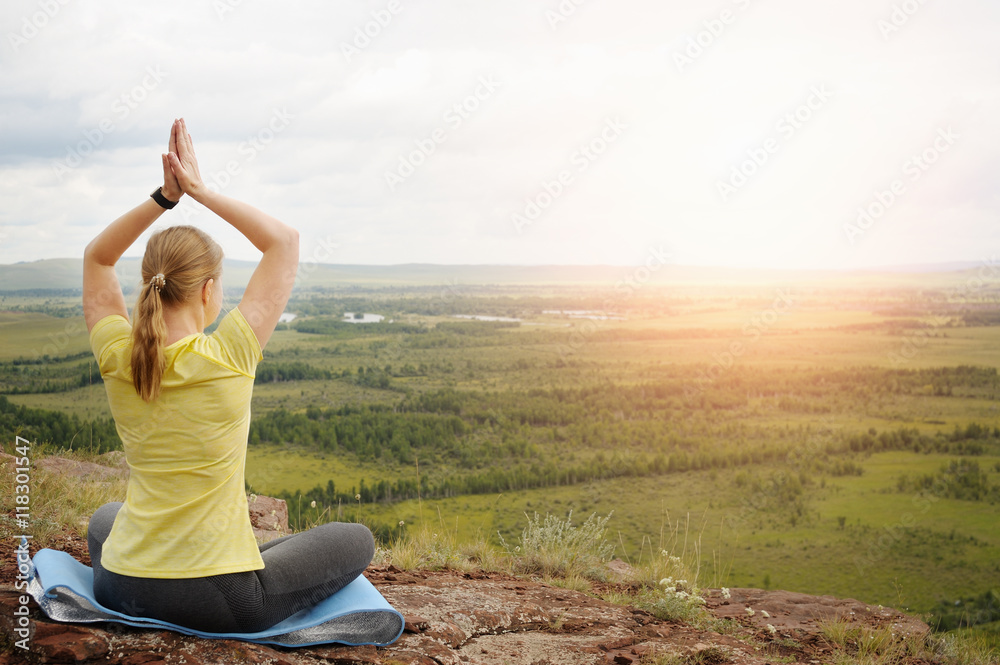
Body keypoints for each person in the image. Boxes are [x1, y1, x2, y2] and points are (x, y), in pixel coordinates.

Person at [83, 118, 374, 633]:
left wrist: (163, 198)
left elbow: (97, 257)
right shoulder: (229, 356)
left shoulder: (117, 354)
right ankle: (233, 561)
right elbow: (283, 241)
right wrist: (198, 190)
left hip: (119, 582)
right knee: (354, 539)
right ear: (207, 291)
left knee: (109, 517)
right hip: (214, 598)